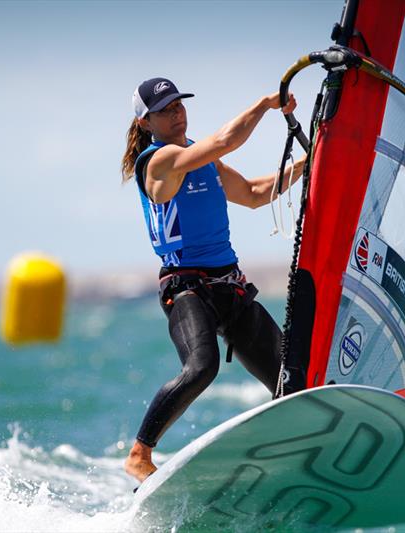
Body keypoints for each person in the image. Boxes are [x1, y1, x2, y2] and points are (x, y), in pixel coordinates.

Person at [120, 77, 306, 482]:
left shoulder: (204, 160)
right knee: (202, 367)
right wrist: (263, 103)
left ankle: (297, 456)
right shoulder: (157, 163)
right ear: (146, 122)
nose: (177, 113)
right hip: (186, 289)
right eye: (165, 109)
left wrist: (308, 164)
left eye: (179, 105)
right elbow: (224, 140)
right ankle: (140, 453)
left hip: (230, 286)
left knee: (291, 378)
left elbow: (256, 193)